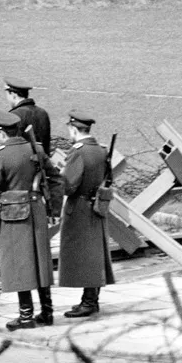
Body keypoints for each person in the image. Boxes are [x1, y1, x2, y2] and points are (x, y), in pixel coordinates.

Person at [0, 111, 62, 331]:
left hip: (13, 215)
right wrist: (54, 209)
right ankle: (47, 312)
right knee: (41, 262)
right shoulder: (35, 149)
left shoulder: (0, 155)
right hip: (37, 209)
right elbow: (56, 179)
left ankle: (26, 315)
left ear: (1, 132)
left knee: (20, 264)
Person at [58, 110, 115, 319]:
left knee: (84, 256)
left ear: (74, 129)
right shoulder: (101, 150)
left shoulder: (78, 152)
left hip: (80, 208)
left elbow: (69, 186)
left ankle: (89, 302)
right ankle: (90, 299)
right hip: (96, 206)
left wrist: (59, 176)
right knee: (94, 254)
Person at [4, 77, 52, 156]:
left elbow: (12, 146)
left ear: (13, 95)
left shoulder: (14, 116)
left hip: (24, 162)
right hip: (44, 160)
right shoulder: (43, 112)